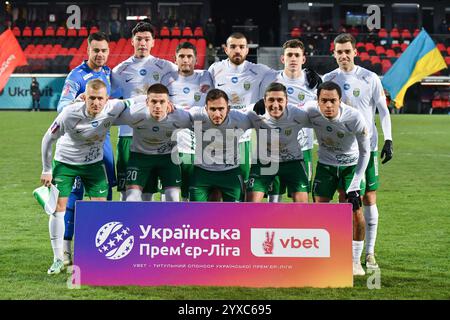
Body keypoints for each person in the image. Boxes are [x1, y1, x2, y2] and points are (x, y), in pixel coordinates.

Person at [40, 79, 130, 275]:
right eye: (92, 98)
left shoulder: (114, 107)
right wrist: (47, 169)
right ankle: (58, 259)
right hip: (65, 163)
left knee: (99, 208)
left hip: (93, 165)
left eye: (100, 98)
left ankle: (93, 257)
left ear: (107, 99)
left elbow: (136, 101)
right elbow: (48, 138)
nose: (96, 103)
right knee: (58, 209)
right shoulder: (69, 113)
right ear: (84, 97)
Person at [323, 33, 393, 270]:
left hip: (367, 147)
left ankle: (370, 253)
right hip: (339, 148)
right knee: (345, 200)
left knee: (368, 197)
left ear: (355, 52)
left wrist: (388, 139)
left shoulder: (370, 77)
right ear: (334, 54)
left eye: (347, 51)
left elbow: (383, 110)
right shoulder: (328, 78)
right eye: (339, 52)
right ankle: (346, 254)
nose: (343, 56)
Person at [56, 31, 113, 266]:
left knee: (104, 195)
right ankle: (66, 250)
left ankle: (97, 248)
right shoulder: (76, 76)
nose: (100, 54)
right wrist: (76, 101)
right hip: (80, 146)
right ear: (87, 51)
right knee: (73, 198)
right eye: (95, 50)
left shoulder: (109, 74)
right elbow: (61, 106)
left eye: (104, 50)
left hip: (104, 143)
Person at [306, 81, 370, 276]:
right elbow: (286, 111)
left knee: (354, 210)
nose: (328, 105)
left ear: (340, 100)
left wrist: (356, 181)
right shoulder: (310, 111)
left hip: (351, 167)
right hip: (325, 167)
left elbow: (365, 151)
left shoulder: (354, 117)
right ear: (317, 101)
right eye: (323, 100)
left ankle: (355, 261)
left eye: (333, 100)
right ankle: (325, 256)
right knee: (320, 212)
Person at [111, 21, 178, 201]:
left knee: (160, 192)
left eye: (147, 39)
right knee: (127, 193)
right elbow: (110, 101)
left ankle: (159, 227)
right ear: (132, 41)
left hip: (160, 135)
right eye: (139, 39)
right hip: (128, 135)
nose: (143, 43)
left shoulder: (167, 67)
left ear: (153, 42)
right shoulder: (119, 71)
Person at [258, 39, 322, 202]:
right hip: (273, 149)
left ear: (303, 59)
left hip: (303, 148)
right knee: (274, 198)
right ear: (282, 59)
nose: (293, 59)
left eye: (297, 55)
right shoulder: (271, 80)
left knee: (301, 198)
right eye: (289, 55)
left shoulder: (313, 82)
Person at [115, 84, 192, 202]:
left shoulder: (180, 116)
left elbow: (202, 123)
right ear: (147, 102)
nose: (158, 106)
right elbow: (106, 117)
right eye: (154, 101)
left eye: (162, 102)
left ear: (168, 103)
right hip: (140, 157)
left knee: (173, 198)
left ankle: (170, 220)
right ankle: (136, 220)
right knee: (132, 198)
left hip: (168, 158)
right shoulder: (134, 113)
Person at [161, 41, 213, 200]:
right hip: (172, 141)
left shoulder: (205, 77)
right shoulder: (167, 79)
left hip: (199, 142)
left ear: (196, 59)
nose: (185, 60)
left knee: (195, 190)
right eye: (182, 56)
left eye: (189, 56)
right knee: (170, 190)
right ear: (175, 59)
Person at [246, 82, 310, 203]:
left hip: (292, 161)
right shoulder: (253, 112)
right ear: (264, 101)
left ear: (287, 101)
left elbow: (319, 116)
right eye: (271, 100)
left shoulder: (298, 114)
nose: (275, 105)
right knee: (251, 204)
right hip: (264, 162)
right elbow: (231, 116)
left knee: (303, 206)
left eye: (280, 100)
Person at [189, 89, 253, 202]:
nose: (217, 114)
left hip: (230, 172)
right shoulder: (195, 116)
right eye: (212, 109)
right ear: (206, 109)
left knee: (236, 214)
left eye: (221, 109)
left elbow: (264, 120)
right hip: (202, 172)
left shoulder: (241, 120)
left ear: (228, 109)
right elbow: (174, 116)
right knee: (195, 213)